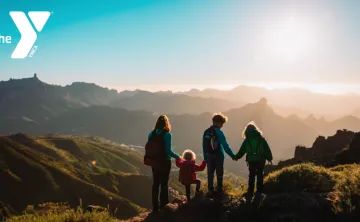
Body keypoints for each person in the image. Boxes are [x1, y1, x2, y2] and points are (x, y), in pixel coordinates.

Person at [148, 115, 180, 213]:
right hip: (165, 161)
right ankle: (163, 205)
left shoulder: (151, 134)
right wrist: (178, 157)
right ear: (167, 123)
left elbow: (149, 147)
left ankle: (155, 207)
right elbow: (168, 151)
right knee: (164, 183)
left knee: (155, 184)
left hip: (154, 162)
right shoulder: (167, 135)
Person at [234, 121, 273, 203]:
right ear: (256, 129)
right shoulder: (261, 139)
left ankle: (250, 192)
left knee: (251, 175)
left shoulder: (246, 140)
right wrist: (269, 158)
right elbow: (267, 149)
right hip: (261, 160)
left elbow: (242, 151)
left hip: (251, 160)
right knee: (260, 174)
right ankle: (259, 191)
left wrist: (236, 157)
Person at [203, 113, 236, 196]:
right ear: (218, 123)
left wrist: (205, 157)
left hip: (209, 156)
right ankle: (219, 191)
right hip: (218, 156)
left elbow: (204, 146)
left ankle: (210, 191)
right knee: (219, 174)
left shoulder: (206, 132)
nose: (222, 126)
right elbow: (225, 146)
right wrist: (232, 155)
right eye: (222, 124)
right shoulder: (219, 132)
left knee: (210, 174)